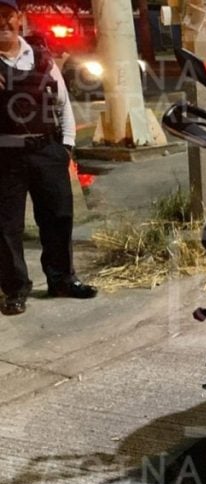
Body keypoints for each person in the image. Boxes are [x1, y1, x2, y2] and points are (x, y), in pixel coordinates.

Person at [0, 0, 96, 316]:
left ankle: (62, 280)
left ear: (19, 18)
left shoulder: (42, 57)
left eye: (7, 15)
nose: (3, 23)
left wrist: (65, 146)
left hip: (47, 151)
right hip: (5, 157)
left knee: (58, 218)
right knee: (6, 226)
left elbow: (63, 103)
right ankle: (15, 289)